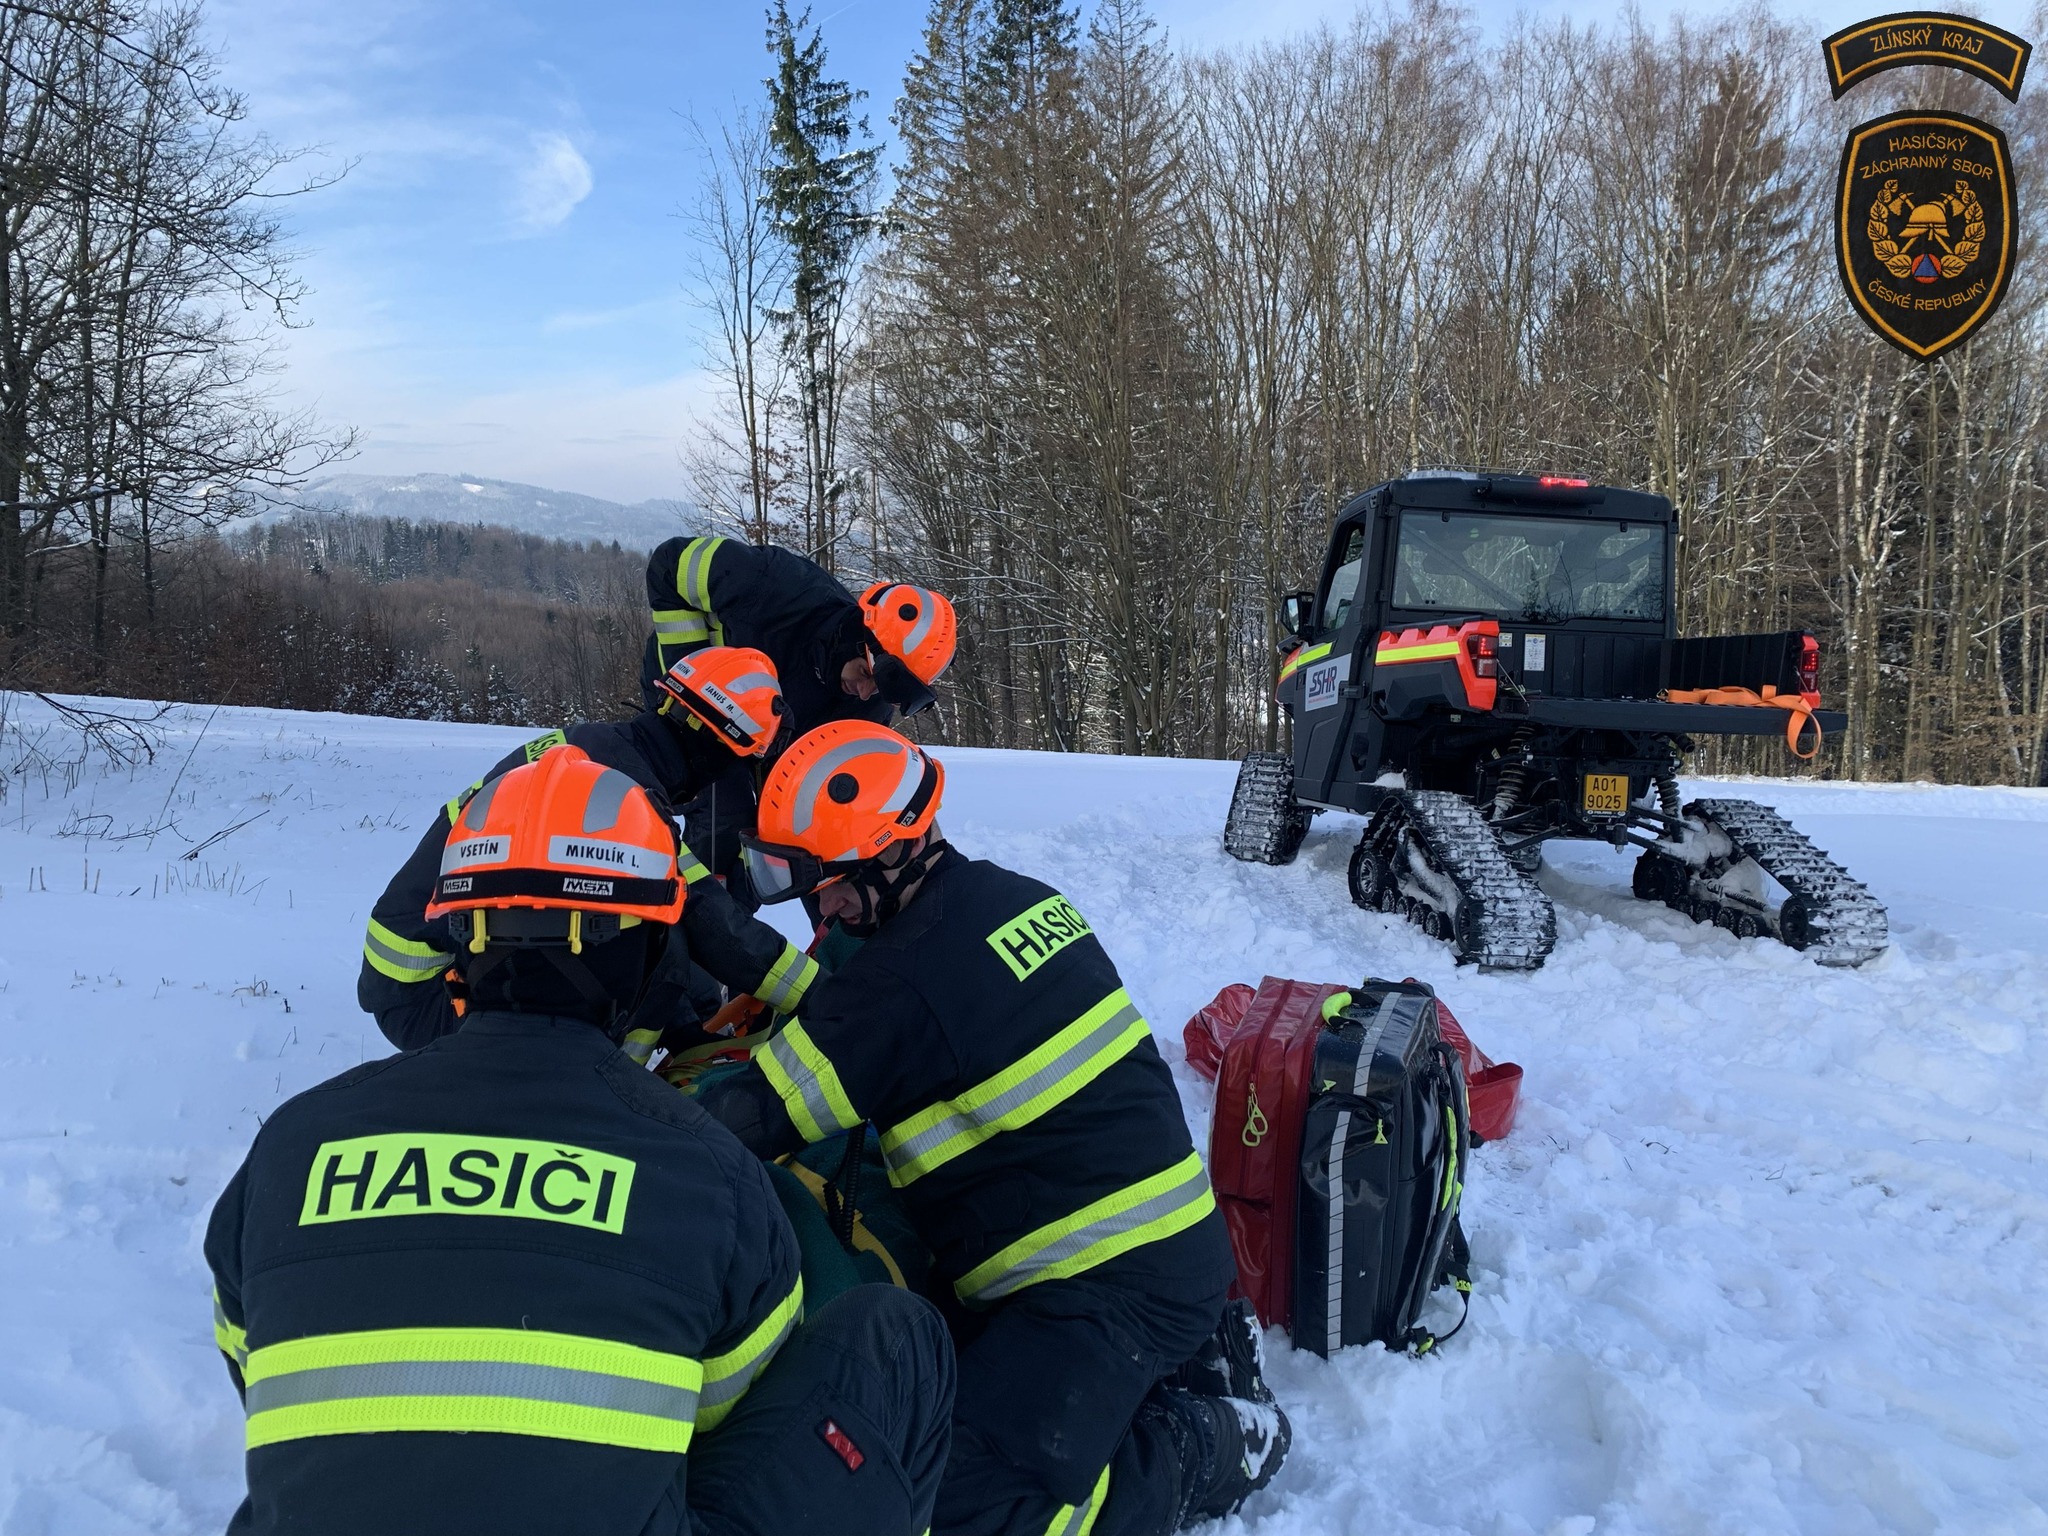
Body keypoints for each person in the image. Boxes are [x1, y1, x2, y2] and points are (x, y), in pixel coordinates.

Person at [206, 745, 956, 1536]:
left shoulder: (289, 1150)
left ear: (460, 935)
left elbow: (258, 1370)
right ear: (649, 946)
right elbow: (731, 1422)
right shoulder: (709, 1174)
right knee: (897, 1334)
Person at [697, 722, 1291, 1536]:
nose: (822, 905)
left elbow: (743, 1120)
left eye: (830, 882)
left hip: (1097, 1295)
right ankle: (1200, 1344)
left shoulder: (900, 981)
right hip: (1163, 1249)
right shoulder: (1014, 899)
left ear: (895, 851)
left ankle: (1195, 1451)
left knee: (955, 1499)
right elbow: (867, 1015)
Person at [358, 646, 818, 1061]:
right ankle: (605, 1084)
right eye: (736, 763)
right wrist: (821, 993)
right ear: (714, 746)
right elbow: (712, 923)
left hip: (425, 967)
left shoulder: (597, 746)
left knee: (650, 932)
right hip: (428, 991)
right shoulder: (621, 794)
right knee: (652, 945)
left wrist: (689, 1023)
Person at [642, 534, 957, 896]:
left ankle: (731, 922)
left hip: (767, 730)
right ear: (859, 637)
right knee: (723, 816)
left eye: (883, 692)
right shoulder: (778, 586)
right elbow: (670, 563)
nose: (867, 693)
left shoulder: (870, 707)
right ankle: (683, 916)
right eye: (867, 674)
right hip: (689, 693)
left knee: (768, 851)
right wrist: (693, 669)